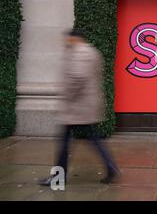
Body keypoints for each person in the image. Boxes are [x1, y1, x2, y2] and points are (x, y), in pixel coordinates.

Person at [39, 29, 119, 186]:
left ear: (75, 39)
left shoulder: (79, 53)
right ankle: (110, 167)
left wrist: (67, 99)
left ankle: (58, 177)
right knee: (93, 139)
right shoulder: (92, 52)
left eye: (68, 39)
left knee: (64, 143)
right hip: (85, 107)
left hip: (76, 107)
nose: (66, 42)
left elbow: (77, 78)